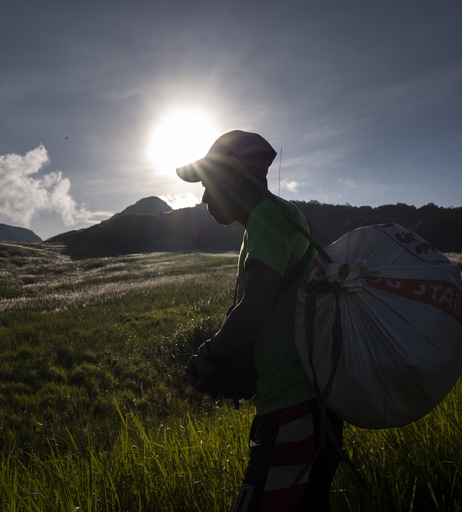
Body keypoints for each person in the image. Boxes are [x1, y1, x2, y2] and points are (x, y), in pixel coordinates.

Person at [177, 130, 343, 512]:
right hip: (305, 404)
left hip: (293, 406)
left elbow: (254, 310)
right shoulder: (273, 219)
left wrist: (208, 352)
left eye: (208, 184)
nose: (203, 198)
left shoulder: (269, 216)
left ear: (237, 178)